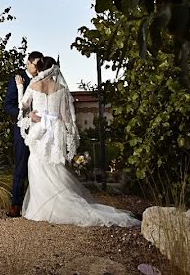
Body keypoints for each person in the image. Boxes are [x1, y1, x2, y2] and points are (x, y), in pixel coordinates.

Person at [15, 56, 140, 227]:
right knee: (54, 167)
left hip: (39, 130)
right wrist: (69, 135)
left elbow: (22, 107)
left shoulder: (33, 85)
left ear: (41, 68)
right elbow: (66, 117)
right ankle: (54, 205)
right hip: (55, 130)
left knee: (37, 165)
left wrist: (20, 88)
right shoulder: (61, 89)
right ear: (55, 70)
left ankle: (40, 210)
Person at [3, 50, 44, 217]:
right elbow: (8, 105)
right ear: (29, 63)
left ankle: (38, 204)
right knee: (21, 165)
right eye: (37, 64)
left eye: (41, 64)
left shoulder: (43, 79)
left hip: (41, 129)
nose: (40, 67)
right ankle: (16, 205)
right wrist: (27, 115)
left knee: (40, 165)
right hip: (23, 129)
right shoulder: (18, 80)